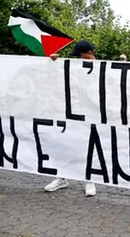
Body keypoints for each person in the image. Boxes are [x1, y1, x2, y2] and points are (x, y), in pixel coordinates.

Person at [44, 40, 97, 197]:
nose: (77, 60)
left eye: (80, 56)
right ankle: (62, 177)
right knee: (65, 143)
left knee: (87, 146)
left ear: (88, 54)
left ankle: (89, 179)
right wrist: (53, 63)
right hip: (70, 111)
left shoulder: (102, 67)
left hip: (90, 113)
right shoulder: (75, 68)